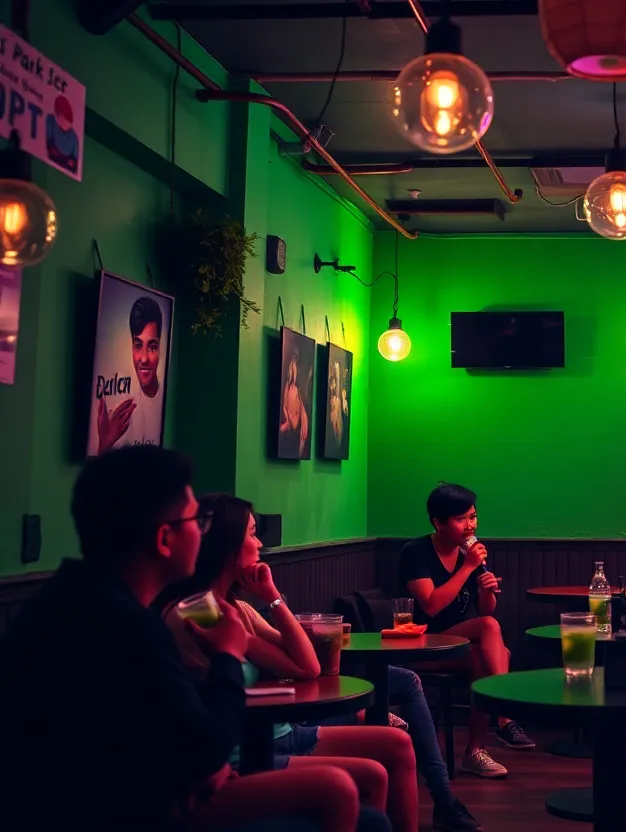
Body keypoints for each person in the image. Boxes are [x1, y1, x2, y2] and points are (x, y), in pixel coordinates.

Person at [0, 446, 390, 832]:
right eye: (195, 522)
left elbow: (147, 730)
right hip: (112, 813)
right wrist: (226, 656)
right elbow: (202, 746)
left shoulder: (72, 601)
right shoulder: (150, 622)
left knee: (367, 815)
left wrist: (189, 768)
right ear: (165, 540)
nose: (202, 535)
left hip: (138, 791)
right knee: (338, 790)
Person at [159, 494, 434, 832]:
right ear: (228, 545)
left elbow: (309, 665)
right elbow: (304, 669)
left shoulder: (237, 610)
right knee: (362, 779)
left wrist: (272, 597)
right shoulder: (200, 612)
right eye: (253, 533)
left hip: (279, 731)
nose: (260, 543)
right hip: (240, 751)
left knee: (396, 747)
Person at [400, 484, 534, 778]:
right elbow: (432, 606)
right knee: (491, 638)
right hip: (421, 645)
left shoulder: (470, 555)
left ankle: (475, 752)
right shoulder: (416, 552)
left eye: (472, 517)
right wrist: (467, 567)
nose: (470, 525)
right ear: (438, 522)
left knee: (487, 656)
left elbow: (486, 610)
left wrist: (487, 589)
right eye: (461, 519)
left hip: (456, 644)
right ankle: (504, 715)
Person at [93, 296, 167, 453]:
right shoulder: (121, 400)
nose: (144, 358)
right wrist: (105, 443)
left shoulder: (165, 398)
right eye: (138, 345)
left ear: (161, 347)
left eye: (152, 347)